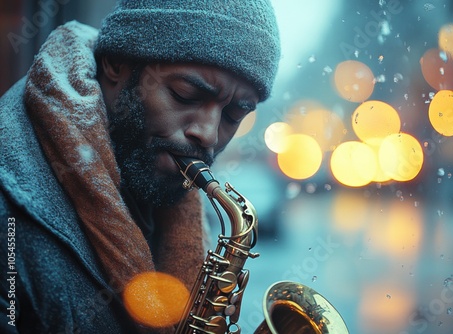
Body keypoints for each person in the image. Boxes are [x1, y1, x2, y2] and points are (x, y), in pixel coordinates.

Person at [0, 0, 280, 332]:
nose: (207, 134)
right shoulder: (9, 215)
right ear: (117, 64)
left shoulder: (164, 182)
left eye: (234, 115)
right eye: (185, 94)